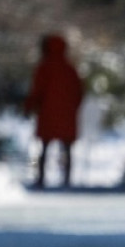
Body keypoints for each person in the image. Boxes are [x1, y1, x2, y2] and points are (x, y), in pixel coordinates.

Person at [24, 34, 84, 188]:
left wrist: (29, 108)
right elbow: (79, 92)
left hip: (47, 115)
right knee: (67, 149)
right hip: (67, 116)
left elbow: (36, 91)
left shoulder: (44, 68)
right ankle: (67, 179)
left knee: (43, 148)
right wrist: (73, 109)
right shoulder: (70, 68)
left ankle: (41, 178)